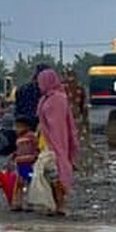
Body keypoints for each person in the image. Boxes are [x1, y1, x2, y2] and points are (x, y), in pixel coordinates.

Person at [36, 68, 81, 216]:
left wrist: (56, 147)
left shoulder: (57, 99)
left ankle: (61, 204)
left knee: (55, 173)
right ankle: (53, 203)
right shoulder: (45, 98)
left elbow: (59, 126)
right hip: (44, 139)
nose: (39, 84)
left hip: (55, 141)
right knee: (47, 173)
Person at [12, 116, 39, 211]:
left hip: (29, 163)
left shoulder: (31, 136)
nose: (17, 129)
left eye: (19, 127)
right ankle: (18, 202)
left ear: (27, 127)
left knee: (29, 182)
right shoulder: (19, 138)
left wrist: (35, 156)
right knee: (20, 183)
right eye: (16, 127)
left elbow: (36, 147)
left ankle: (29, 202)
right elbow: (19, 150)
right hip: (20, 163)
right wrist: (14, 155)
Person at [14, 64, 48, 129]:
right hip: (38, 125)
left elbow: (17, 107)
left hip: (23, 124)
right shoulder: (43, 91)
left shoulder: (22, 89)